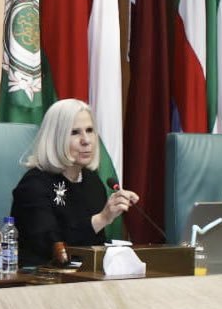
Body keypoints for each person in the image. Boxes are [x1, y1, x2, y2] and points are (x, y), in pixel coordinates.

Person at [10, 99, 139, 267]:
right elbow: (51, 249)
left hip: (86, 276)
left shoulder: (92, 181)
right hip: (41, 278)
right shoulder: (33, 185)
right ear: (56, 138)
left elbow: (95, 246)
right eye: (75, 132)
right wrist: (101, 219)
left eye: (90, 130)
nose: (86, 140)